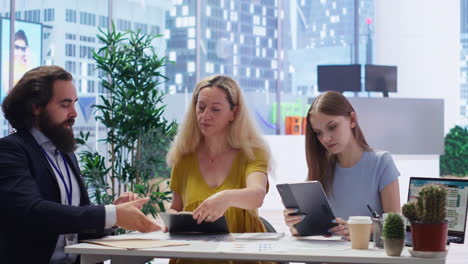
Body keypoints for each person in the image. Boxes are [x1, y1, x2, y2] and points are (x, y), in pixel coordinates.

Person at [0, 66, 161, 264]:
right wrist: (110, 214)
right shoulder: (10, 151)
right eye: (65, 105)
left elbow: (76, 219)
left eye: (74, 104)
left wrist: (113, 212)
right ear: (36, 107)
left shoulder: (66, 153)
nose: (74, 113)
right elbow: (33, 212)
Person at [166, 75, 272, 264]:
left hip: (243, 258)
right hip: (194, 257)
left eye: (215, 109)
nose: (205, 115)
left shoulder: (253, 153)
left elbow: (257, 195)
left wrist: (226, 197)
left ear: (234, 113)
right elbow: (176, 207)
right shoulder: (183, 158)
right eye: (201, 107)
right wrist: (172, 219)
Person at [283, 91, 401, 240]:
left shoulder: (381, 162)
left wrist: (357, 228)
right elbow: (304, 231)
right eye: (318, 133)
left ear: (352, 120)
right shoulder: (321, 167)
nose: (326, 138)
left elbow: (395, 225)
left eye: (332, 127)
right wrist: (295, 224)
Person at [2, 29, 34, 98]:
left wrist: (28, 64)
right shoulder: (7, 64)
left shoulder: (28, 65)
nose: (19, 51)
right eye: (17, 47)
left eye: (22, 48)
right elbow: (8, 89)